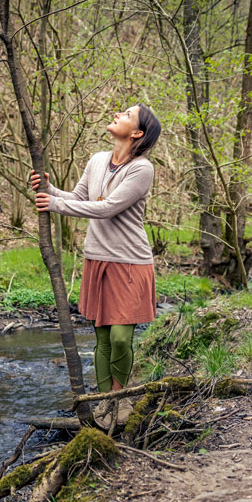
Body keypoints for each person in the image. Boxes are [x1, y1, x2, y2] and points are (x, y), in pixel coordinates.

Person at [30, 104, 161, 427]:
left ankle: (121, 397)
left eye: (127, 115)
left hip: (130, 262)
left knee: (119, 338)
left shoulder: (142, 169)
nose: (118, 114)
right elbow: (79, 197)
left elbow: (108, 208)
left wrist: (55, 204)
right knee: (102, 338)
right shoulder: (97, 160)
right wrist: (49, 190)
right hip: (97, 259)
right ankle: (104, 403)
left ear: (137, 133)